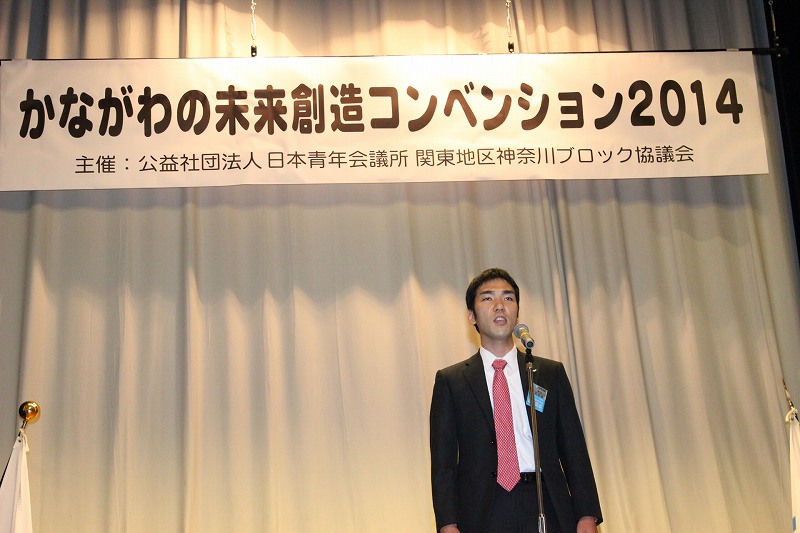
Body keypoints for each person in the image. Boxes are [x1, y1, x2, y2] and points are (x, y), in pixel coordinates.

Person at [429, 268, 602, 533]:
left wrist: (587, 513)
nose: (499, 305)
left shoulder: (548, 373)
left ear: (517, 313)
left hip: (545, 502)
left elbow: (573, 448)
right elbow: (443, 465)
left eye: (508, 298)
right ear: (471, 315)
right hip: (483, 511)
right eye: (488, 298)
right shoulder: (451, 381)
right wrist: (447, 524)